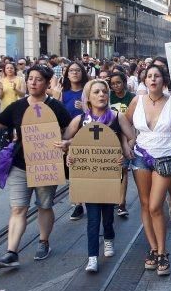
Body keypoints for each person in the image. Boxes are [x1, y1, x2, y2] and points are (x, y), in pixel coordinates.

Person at [0, 65, 73, 269]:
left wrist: (66, 143)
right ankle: (11, 252)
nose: (32, 82)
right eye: (30, 78)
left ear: (47, 83)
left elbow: (69, 129)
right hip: (20, 164)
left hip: (46, 163)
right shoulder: (18, 105)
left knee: (44, 205)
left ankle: (43, 241)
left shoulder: (56, 107)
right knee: (18, 208)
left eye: (38, 79)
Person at [62, 79, 135, 273]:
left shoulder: (117, 117)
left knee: (108, 215)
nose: (101, 95)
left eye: (104, 91)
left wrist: (126, 147)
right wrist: (70, 155)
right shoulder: (80, 121)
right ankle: (92, 256)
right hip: (89, 176)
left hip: (110, 174)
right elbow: (68, 141)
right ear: (88, 97)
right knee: (93, 218)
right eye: (96, 92)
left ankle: (109, 238)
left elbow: (132, 136)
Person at [126, 64, 171, 276]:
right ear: (145, 80)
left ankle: (163, 252)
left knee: (155, 206)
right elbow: (123, 123)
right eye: (149, 76)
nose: (153, 79)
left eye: (157, 76)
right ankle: (153, 249)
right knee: (144, 205)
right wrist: (128, 143)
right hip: (141, 158)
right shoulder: (137, 101)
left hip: (165, 158)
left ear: (164, 80)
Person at [51, 61, 89, 220]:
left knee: (79, 170)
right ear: (66, 74)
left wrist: (85, 108)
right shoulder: (62, 92)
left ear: (82, 73)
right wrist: (55, 99)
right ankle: (79, 201)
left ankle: (78, 204)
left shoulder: (87, 92)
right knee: (71, 171)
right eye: (71, 70)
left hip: (84, 134)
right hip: (65, 135)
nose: (74, 73)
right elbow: (53, 114)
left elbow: (97, 113)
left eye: (77, 70)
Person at [109, 70, 136, 217]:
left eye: (118, 83)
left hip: (126, 137)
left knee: (123, 169)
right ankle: (113, 197)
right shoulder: (108, 97)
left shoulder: (132, 98)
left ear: (124, 83)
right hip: (111, 137)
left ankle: (122, 203)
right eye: (113, 84)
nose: (116, 86)